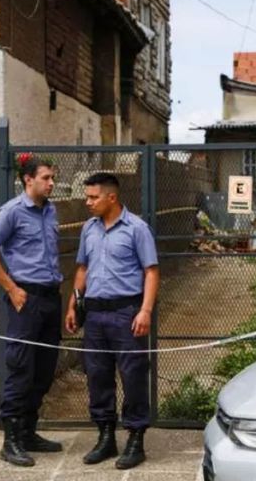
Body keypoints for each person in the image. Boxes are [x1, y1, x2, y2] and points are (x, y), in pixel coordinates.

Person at [65, 172, 159, 470]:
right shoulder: (89, 229)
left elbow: (151, 272)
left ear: (112, 197)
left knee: (132, 375)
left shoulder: (137, 229)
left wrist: (144, 311)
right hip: (94, 315)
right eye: (87, 196)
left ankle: (135, 438)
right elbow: (82, 269)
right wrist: (72, 305)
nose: (88, 202)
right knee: (97, 375)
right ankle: (106, 436)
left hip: (126, 313)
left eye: (93, 197)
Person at [0, 154, 63, 467]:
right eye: (46, 178)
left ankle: (28, 431)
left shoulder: (51, 210)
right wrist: (11, 289)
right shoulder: (12, 212)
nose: (51, 183)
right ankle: (10, 439)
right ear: (28, 180)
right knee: (20, 367)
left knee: (44, 368)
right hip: (25, 299)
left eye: (52, 178)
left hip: (51, 297)